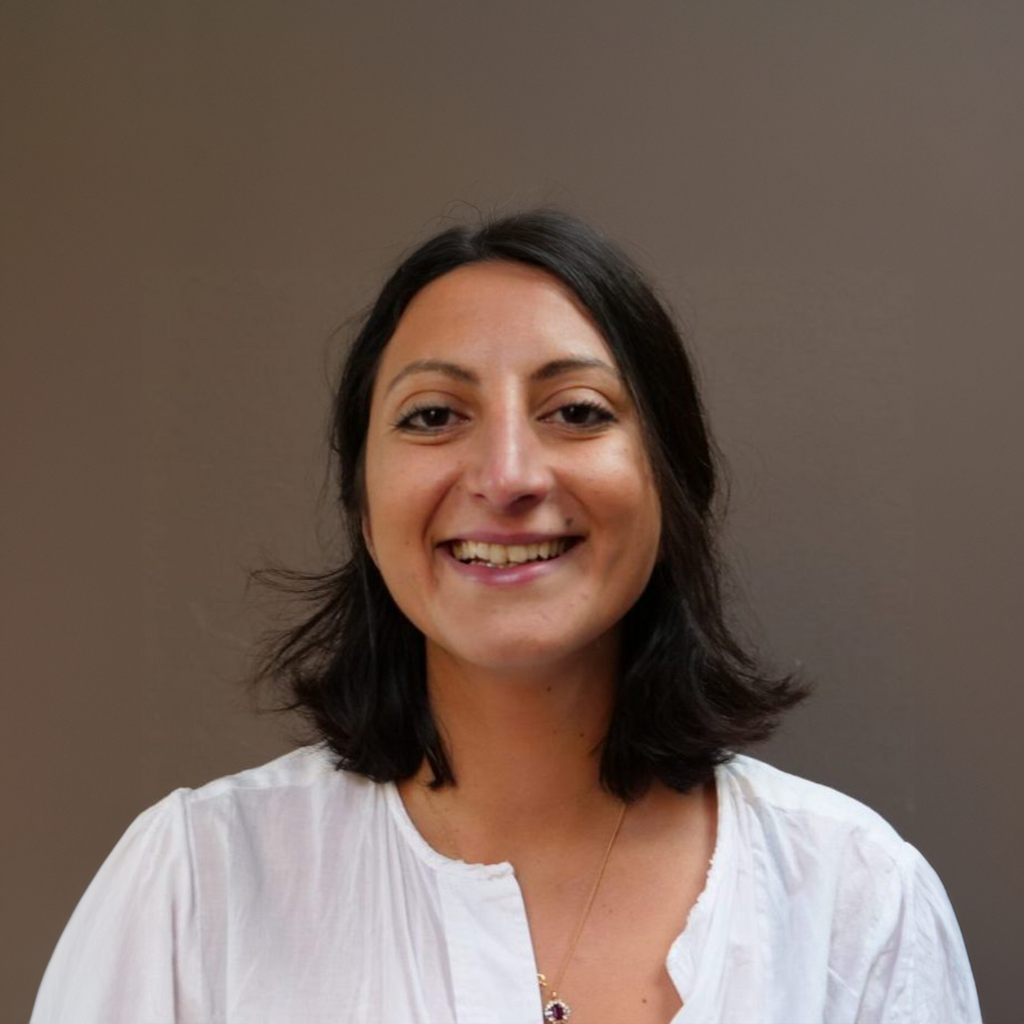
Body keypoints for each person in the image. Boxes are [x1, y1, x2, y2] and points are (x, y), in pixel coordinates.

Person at [31, 209, 981, 1023]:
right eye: (433, 416)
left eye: (577, 411)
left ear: (671, 480)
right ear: (362, 504)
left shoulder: (857, 900)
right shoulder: (197, 885)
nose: (508, 476)